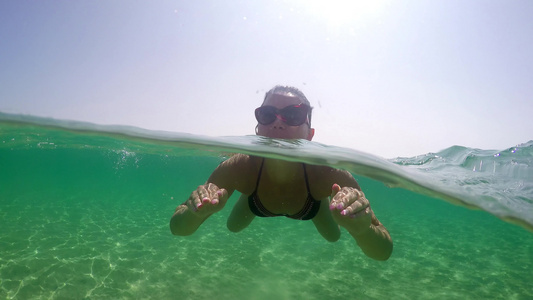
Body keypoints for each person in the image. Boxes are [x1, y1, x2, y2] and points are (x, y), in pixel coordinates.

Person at [170, 85, 393, 261]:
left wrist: (363, 231)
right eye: (267, 114)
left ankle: (322, 201)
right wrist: (195, 213)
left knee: (334, 237)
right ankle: (248, 194)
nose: (277, 123)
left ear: (310, 134)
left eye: (293, 115)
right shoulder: (240, 167)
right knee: (233, 227)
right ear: (257, 127)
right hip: (255, 199)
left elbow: (383, 252)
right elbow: (178, 228)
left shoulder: (328, 174)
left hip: (311, 205)